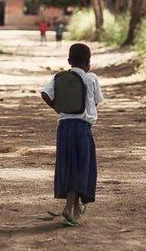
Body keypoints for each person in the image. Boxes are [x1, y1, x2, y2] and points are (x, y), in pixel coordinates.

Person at [40, 43, 103, 227]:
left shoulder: (60, 77)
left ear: (69, 61)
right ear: (88, 62)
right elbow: (96, 101)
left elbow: (44, 94)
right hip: (82, 129)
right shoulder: (91, 78)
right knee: (82, 167)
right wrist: (86, 110)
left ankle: (75, 209)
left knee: (69, 165)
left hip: (64, 128)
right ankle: (69, 207)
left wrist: (58, 108)